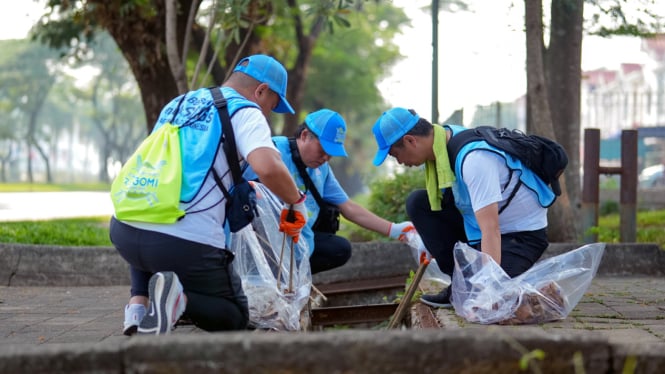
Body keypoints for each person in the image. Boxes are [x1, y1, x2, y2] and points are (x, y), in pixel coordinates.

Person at [110, 54, 308, 335]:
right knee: (233, 317)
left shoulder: (180, 102)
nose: (267, 114)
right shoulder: (245, 110)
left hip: (124, 230)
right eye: (271, 106)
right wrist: (296, 202)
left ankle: (138, 307)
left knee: (151, 224)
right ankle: (180, 300)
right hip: (183, 243)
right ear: (261, 90)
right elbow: (268, 167)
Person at [371, 107, 554, 307]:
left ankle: (471, 287)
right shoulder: (444, 141)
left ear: (410, 141)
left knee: (491, 300)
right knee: (418, 203)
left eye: (395, 155)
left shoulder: (474, 159)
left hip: (519, 237)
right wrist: (431, 237)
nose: (399, 162)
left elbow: (491, 228)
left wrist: (488, 290)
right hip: (480, 229)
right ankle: (461, 283)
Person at [243, 108, 414, 274]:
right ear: (304, 136)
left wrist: (395, 230)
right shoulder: (272, 152)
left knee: (340, 249)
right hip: (263, 241)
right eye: (323, 150)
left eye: (331, 153)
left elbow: (349, 207)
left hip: (300, 243)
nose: (326, 158)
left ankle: (295, 278)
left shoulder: (321, 169)